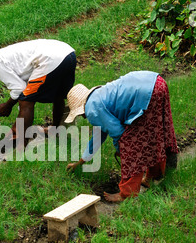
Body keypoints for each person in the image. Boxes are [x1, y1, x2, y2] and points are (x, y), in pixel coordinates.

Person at [65, 71, 178, 202]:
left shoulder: (92, 109)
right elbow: (97, 138)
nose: (82, 116)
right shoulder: (97, 97)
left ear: (80, 109)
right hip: (157, 83)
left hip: (146, 93)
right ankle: (153, 177)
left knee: (131, 144)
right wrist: (79, 163)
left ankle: (126, 193)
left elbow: (118, 133)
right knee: (152, 134)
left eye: (79, 114)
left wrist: (121, 149)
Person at [0, 39, 77, 146]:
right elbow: (24, 89)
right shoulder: (6, 55)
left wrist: (8, 105)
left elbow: (19, 89)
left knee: (27, 102)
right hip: (67, 53)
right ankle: (55, 130)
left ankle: (20, 143)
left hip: (50, 60)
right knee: (58, 95)